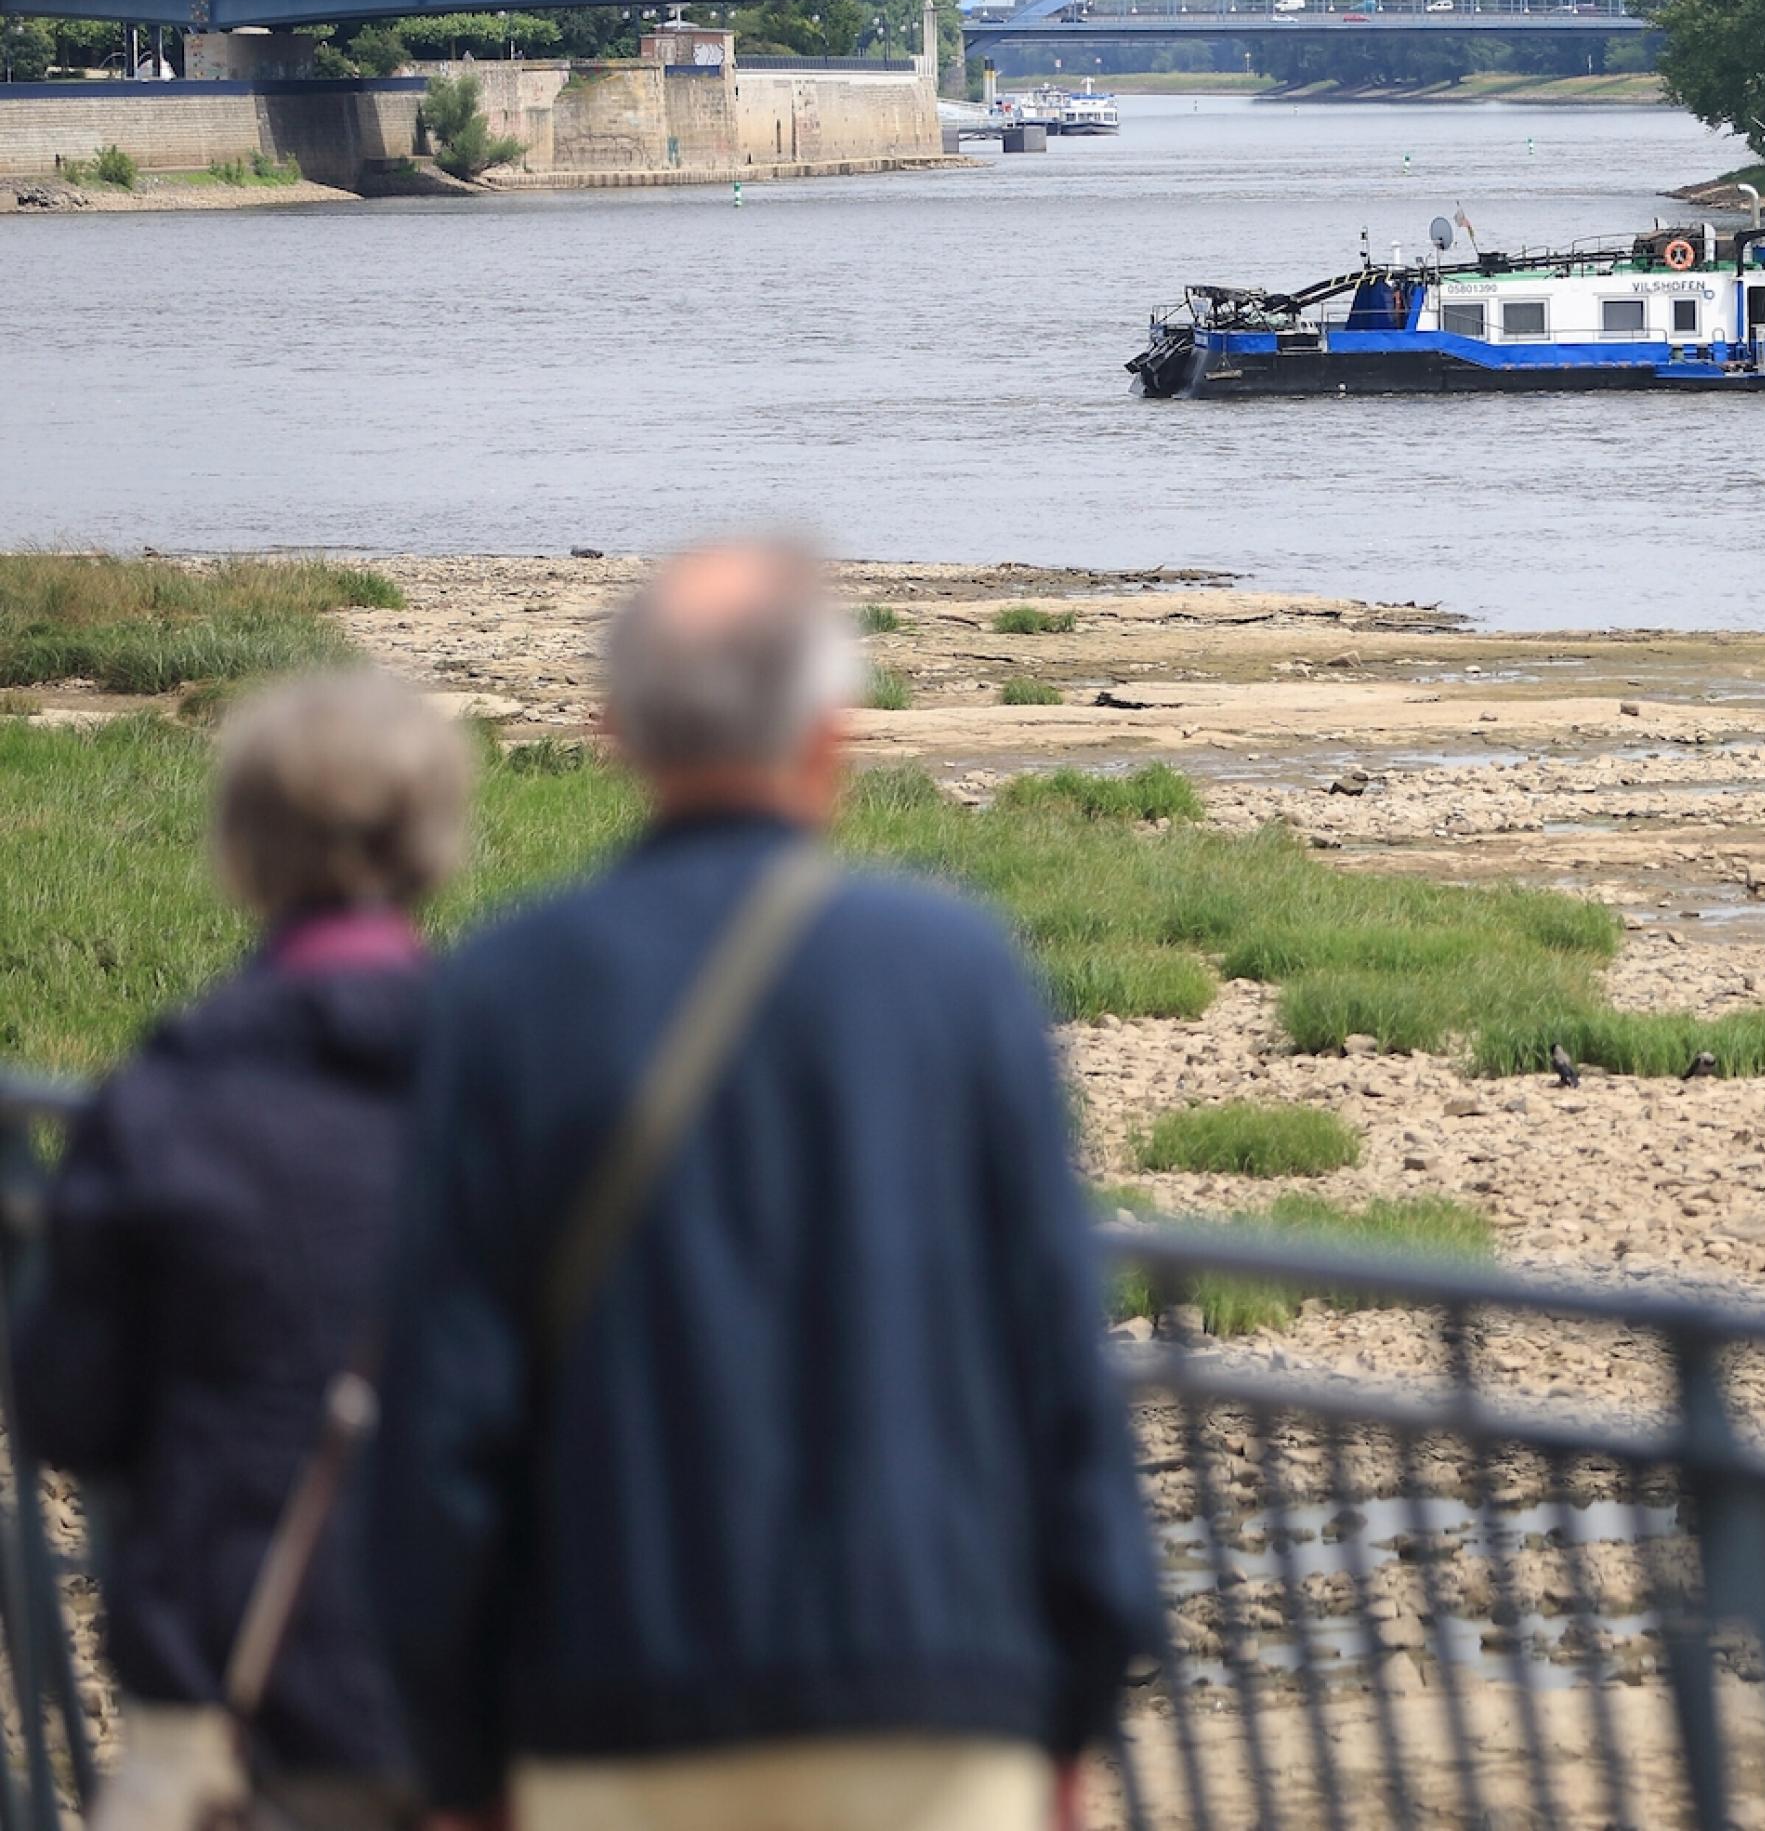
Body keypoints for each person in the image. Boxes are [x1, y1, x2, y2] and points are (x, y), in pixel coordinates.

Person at [371, 541, 1158, 1831]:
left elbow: (441, 1419)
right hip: (929, 1704)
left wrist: (461, 1757)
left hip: (614, 1705)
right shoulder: (959, 975)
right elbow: (1058, 1377)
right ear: (829, 735)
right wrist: (1069, 1702)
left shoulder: (504, 994)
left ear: (614, 732)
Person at [16, 670, 476, 1831]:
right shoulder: (530, 1091)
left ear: (240, 851)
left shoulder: (167, 1099)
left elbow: (67, 1406)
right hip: (498, 1686)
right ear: (435, 847)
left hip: (237, 1682)